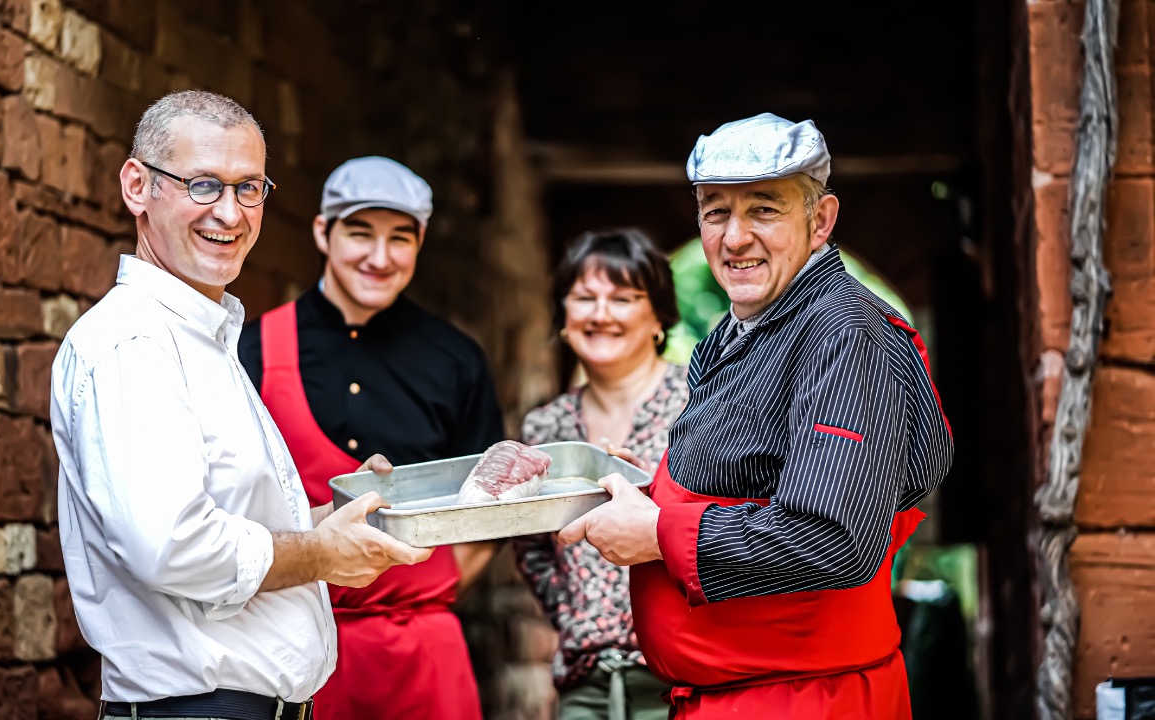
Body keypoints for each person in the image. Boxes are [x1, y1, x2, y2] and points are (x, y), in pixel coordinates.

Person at [559, 113, 954, 719]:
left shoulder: (847, 336)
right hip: (746, 696)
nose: (735, 237)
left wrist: (659, 532)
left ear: (820, 221)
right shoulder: (741, 328)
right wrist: (650, 493)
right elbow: (755, 478)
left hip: (809, 699)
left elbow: (835, 541)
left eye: (764, 210)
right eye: (716, 212)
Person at [51, 91, 431, 720]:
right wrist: (322, 553)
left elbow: (222, 517)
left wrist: (332, 519)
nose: (229, 213)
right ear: (137, 186)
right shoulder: (134, 341)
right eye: (203, 185)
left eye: (248, 188)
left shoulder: (203, 335)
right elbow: (173, 546)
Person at [238, 156, 505, 720]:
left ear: (420, 242)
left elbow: (493, 513)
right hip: (295, 642)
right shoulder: (252, 349)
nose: (379, 258)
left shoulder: (456, 360)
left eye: (399, 239)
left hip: (426, 653)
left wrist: (429, 585)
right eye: (360, 233)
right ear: (321, 232)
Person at [516, 228, 687, 720]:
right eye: (585, 298)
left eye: (623, 298)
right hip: (585, 681)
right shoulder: (546, 426)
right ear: (564, 317)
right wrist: (573, 615)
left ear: (658, 315)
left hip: (680, 675)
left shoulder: (701, 408)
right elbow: (530, 546)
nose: (601, 314)